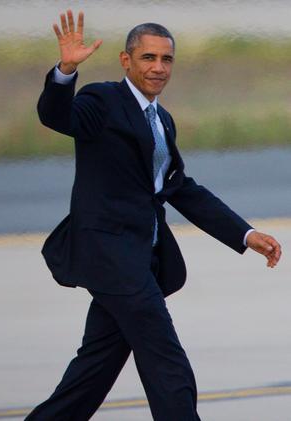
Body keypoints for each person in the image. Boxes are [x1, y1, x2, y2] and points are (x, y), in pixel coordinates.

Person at [26, 9, 281, 421]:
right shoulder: (102, 100)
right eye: (148, 58)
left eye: (166, 59)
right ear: (126, 60)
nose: (158, 67)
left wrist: (246, 234)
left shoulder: (162, 120)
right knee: (167, 363)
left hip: (139, 258)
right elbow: (58, 117)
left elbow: (179, 188)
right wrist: (65, 72)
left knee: (92, 372)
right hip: (111, 256)